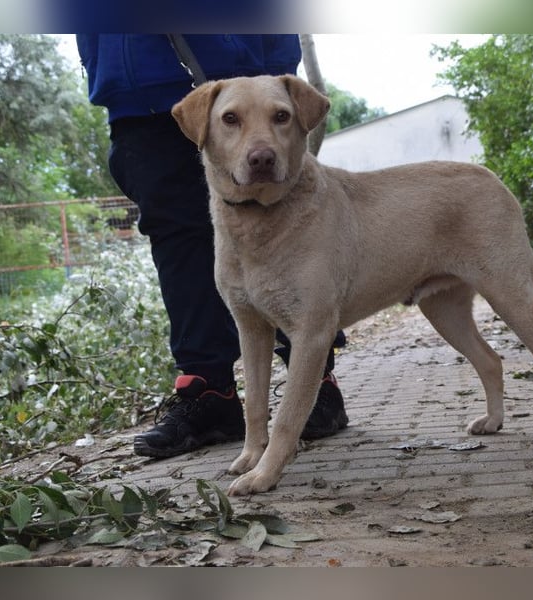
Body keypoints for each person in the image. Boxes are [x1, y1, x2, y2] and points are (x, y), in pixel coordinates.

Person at [77, 34, 348, 458]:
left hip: (238, 61)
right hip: (136, 91)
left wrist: (276, 65)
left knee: (289, 228)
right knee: (176, 239)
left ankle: (315, 377)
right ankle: (208, 392)